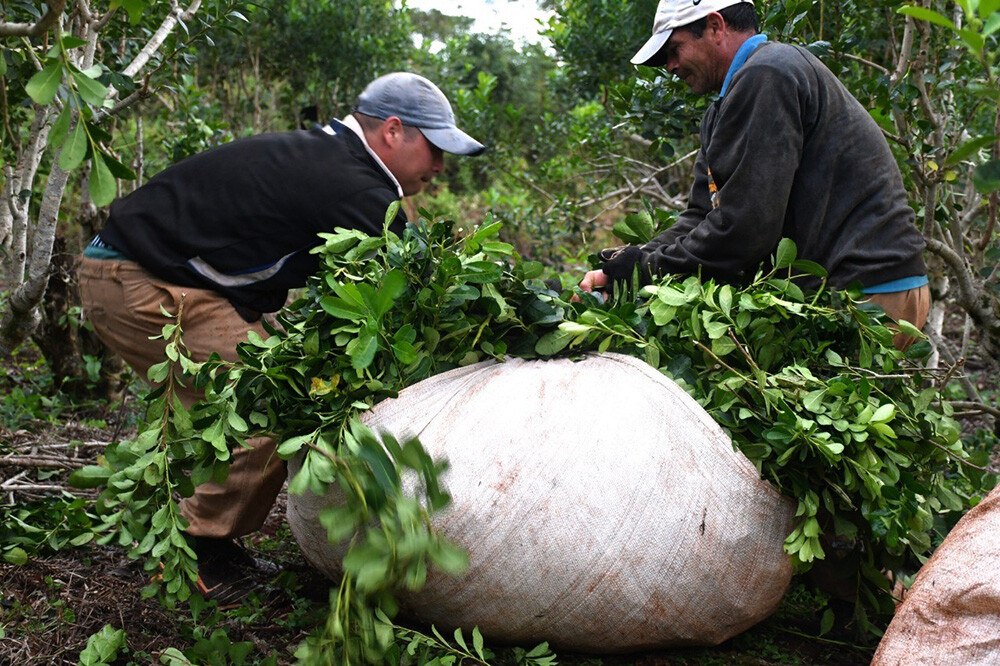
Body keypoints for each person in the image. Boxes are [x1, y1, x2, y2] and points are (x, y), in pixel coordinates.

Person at [79, 72, 484, 604]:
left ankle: (192, 531)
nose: (439, 167)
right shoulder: (355, 185)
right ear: (392, 131)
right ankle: (195, 555)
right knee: (264, 400)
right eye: (435, 149)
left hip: (146, 271)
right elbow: (420, 277)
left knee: (239, 392)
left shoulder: (333, 157)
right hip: (140, 281)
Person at [579, 0, 930, 349]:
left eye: (674, 50)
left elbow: (747, 227)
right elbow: (702, 214)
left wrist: (649, 269)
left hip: (867, 292)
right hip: (855, 287)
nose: (670, 67)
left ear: (716, 26)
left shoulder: (768, 74)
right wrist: (626, 264)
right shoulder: (724, 105)